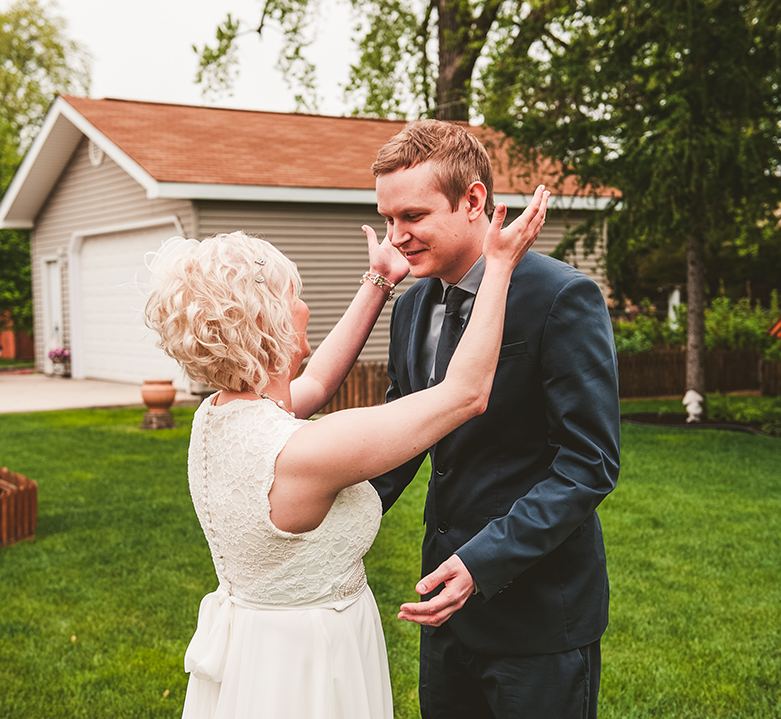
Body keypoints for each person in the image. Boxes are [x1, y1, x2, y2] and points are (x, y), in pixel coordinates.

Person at [144, 184, 551, 719]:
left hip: (257, 647)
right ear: (267, 321)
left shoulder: (218, 419)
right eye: (294, 296)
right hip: (311, 661)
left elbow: (311, 385)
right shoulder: (306, 452)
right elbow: (465, 394)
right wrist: (499, 267)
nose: (304, 306)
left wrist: (378, 284)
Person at [368, 120, 621, 718]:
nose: (396, 237)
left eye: (413, 216)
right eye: (387, 219)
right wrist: (327, 513)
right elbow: (401, 440)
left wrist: (482, 562)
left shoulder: (562, 298)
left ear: (474, 200)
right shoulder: (412, 307)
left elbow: (588, 466)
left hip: (538, 619)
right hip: (443, 614)